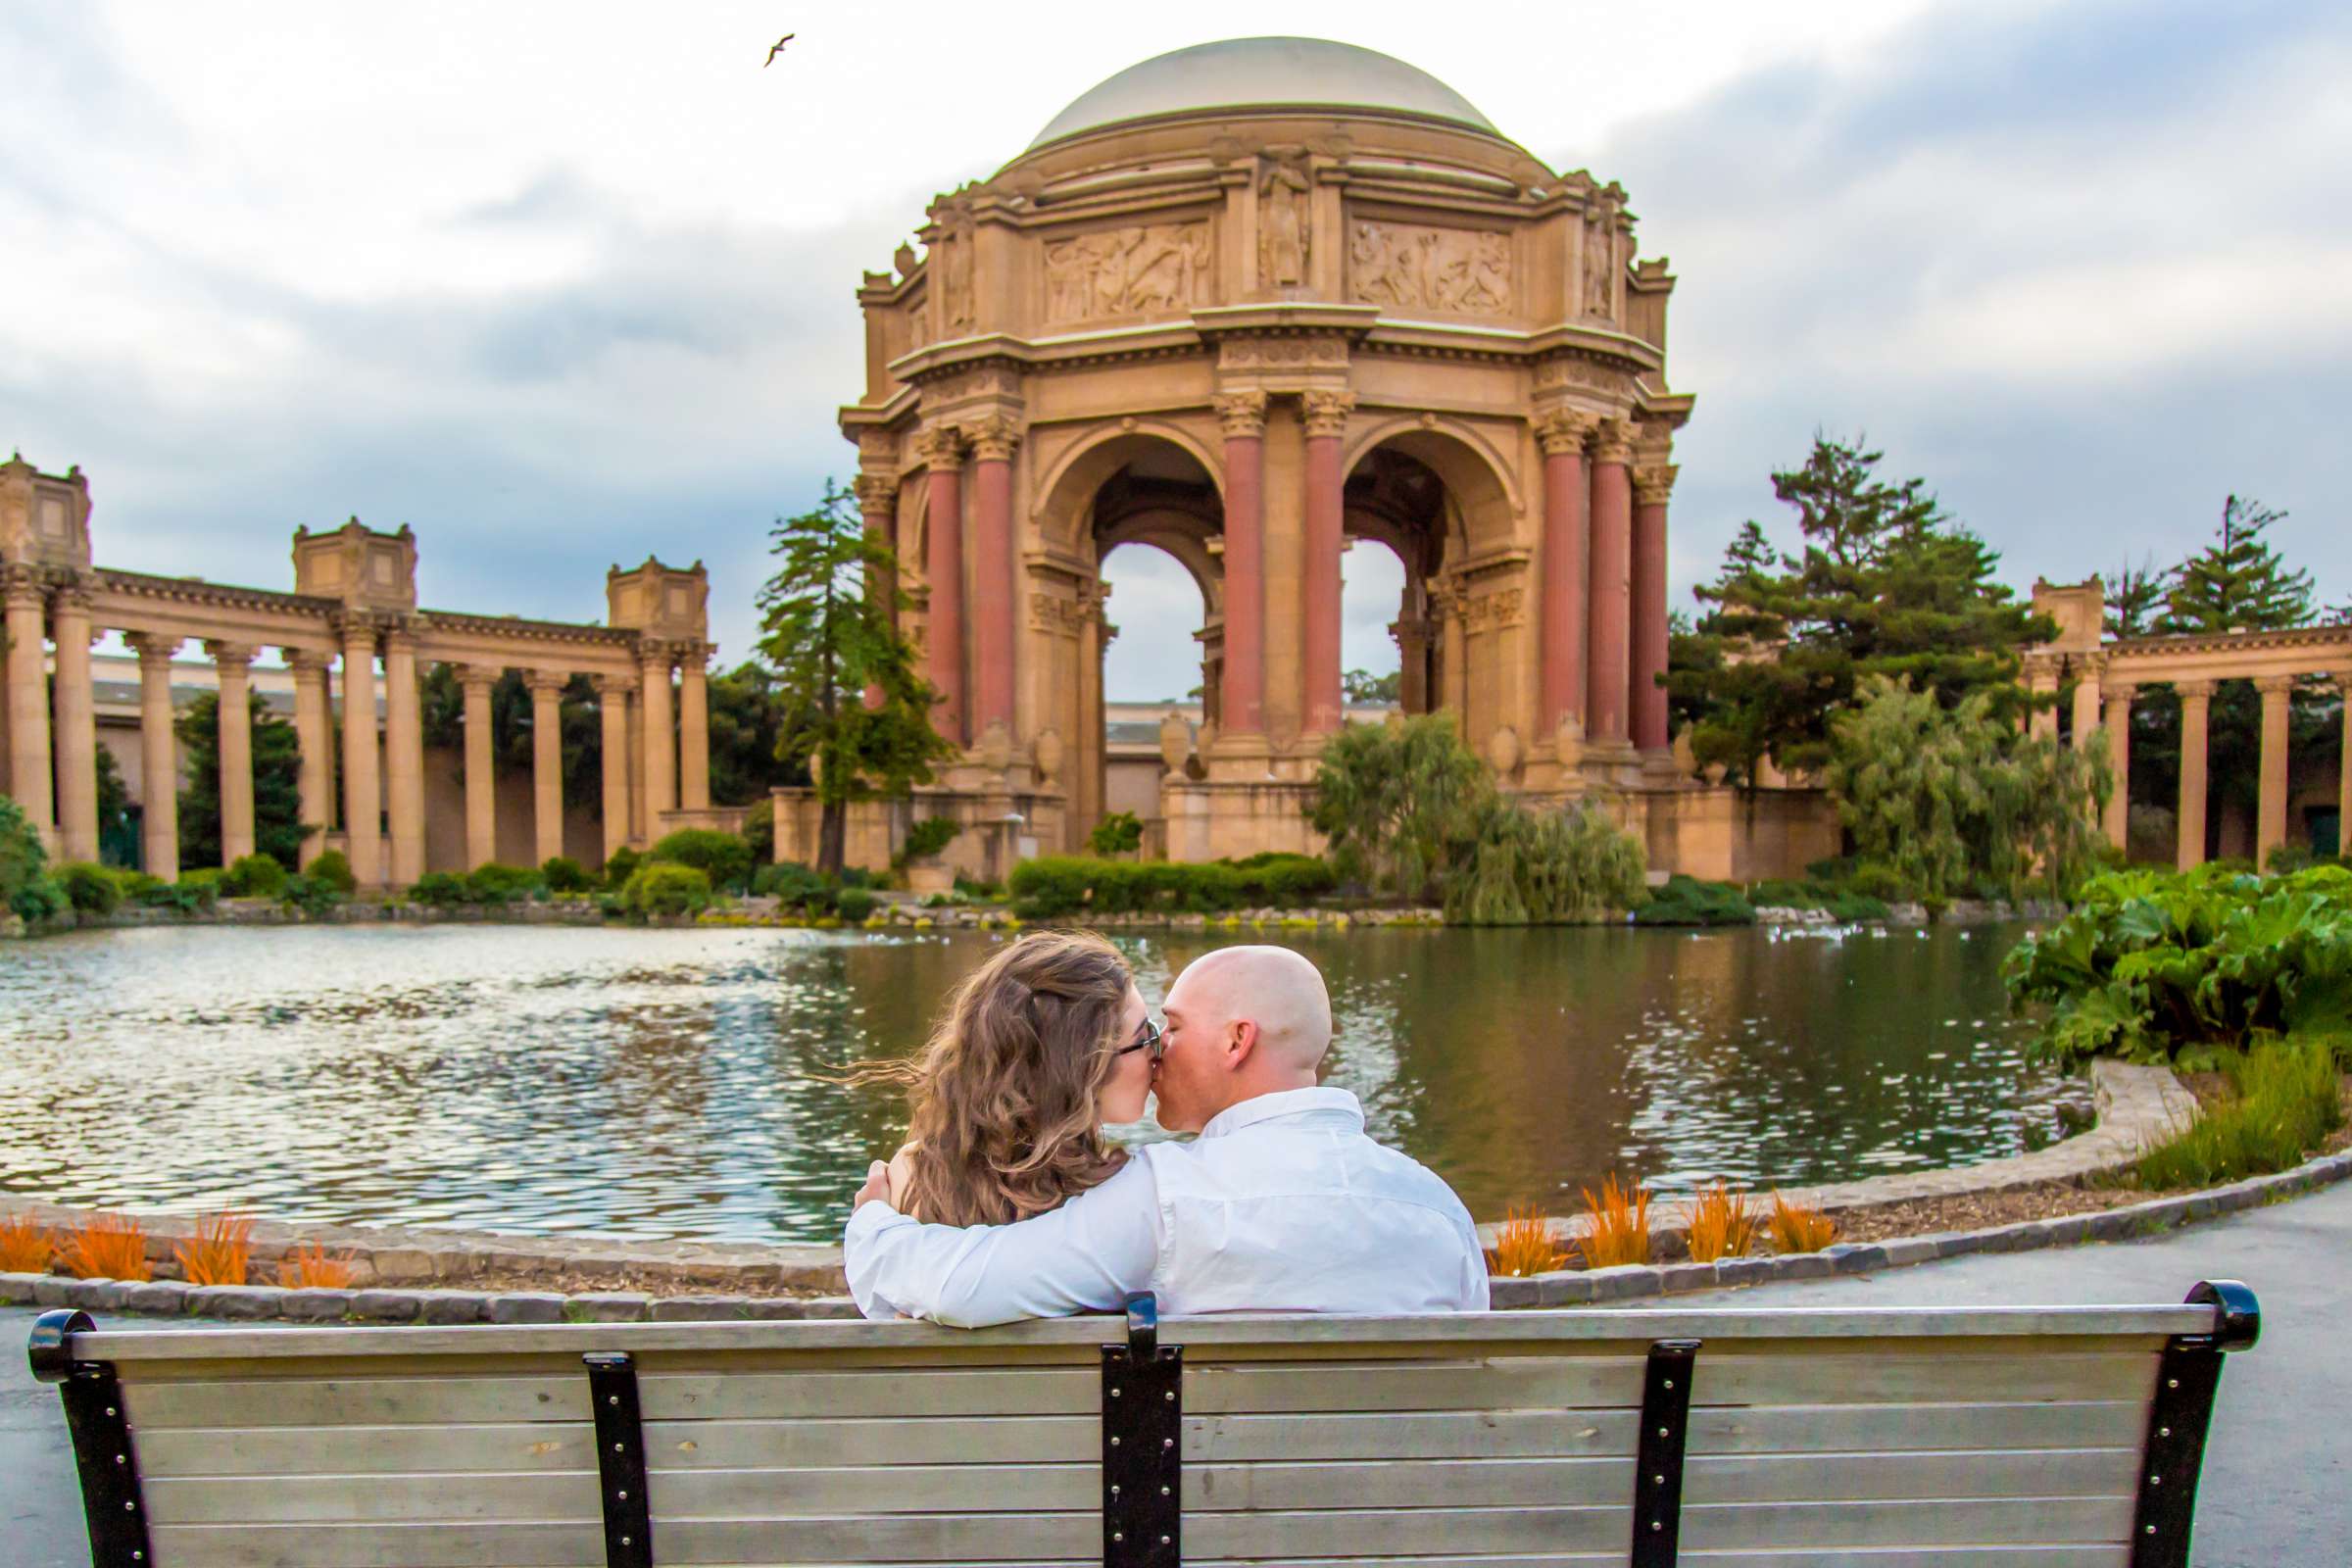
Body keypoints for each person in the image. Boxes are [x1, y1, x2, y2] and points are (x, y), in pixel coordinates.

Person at [846, 940, 1490, 1325]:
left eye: (1172, 1028)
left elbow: (961, 1287)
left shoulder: (1167, 1201)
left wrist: (873, 1226)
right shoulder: (1437, 1207)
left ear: (1238, 1040)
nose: (1159, 1052)